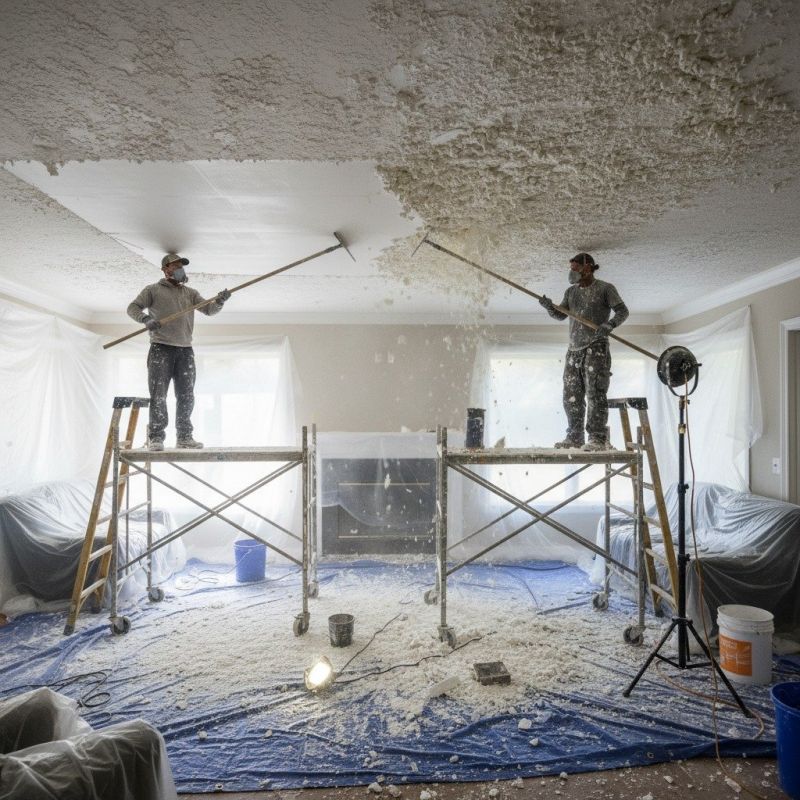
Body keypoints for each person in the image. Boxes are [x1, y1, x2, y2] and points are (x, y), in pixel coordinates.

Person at [127, 253, 231, 451]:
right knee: (158, 394)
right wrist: (145, 319)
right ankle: (156, 438)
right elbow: (132, 307)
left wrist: (219, 301)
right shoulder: (153, 290)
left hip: (185, 350)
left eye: (181, 266)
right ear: (166, 270)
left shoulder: (190, 293)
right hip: (161, 348)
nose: (180, 270)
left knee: (186, 395)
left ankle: (184, 437)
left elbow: (209, 310)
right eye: (176, 266)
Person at [538, 253, 629, 451]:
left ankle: (597, 437)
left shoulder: (605, 288)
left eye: (576, 268)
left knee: (595, 392)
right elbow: (561, 315)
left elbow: (623, 311)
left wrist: (610, 324)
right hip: (573, 350)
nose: (573, 272)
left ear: (588, 267)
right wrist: (549, 308)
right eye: (571, 268)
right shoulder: (571, 292)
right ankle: (574, 436)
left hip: (595, 347)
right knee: (571, 394)